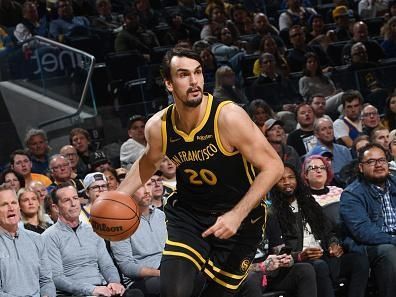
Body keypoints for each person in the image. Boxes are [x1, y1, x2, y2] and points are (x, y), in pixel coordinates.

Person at [117, 47, 283, 297]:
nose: (194, 81)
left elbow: (274, 166)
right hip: (189, 217)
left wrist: (236, 215)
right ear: (168, 83)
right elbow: (149, 161)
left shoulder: (227, 117)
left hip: (239, 223)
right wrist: (117, 199)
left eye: (198, 73)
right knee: (174, 292)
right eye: (183, 75)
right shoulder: (158, 126)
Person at [271, 163, 370, 297]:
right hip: (300, 263)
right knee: (319, 265)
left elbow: (329, 232)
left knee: (359, 261)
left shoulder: (309, 203)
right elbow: (277, 251)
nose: (287, 182)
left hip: (324, 255)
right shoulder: (273, 213)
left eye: (291, 177)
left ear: (297, 180)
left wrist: (333, 244)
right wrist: (300, 255)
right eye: (281, 179)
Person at [42, 183, 138, 297]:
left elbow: (107, 266)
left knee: (135, 294)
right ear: (56, 207)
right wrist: (91, 290)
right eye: (67, 200)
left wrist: (114, 282)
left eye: (75, 198)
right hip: (74, 293)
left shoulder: (93, 230)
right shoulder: (49, 236)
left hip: (101, 289)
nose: (73, 204)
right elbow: (57, 278)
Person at [340, 143, 396, 297]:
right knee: (389, 251)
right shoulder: (352, 195)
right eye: (371, 162)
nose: (378, 165)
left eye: (382, 160)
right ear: (360, 167)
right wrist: (393, 240)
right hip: (367, 247)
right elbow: (364, 232)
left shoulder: (394, 183)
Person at [111, 179, 166, 296]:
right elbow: (126, 266)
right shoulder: (120, 224)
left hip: (167, 267)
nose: (147, 191)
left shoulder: (161, 215)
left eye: (149, 184)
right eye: (140, 187)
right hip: (141, 280)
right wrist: (159, 273)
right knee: (170, 283)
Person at [0, 185, 56, 296]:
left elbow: (46, 281)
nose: (11, 208)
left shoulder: (37, 239)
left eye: (14, 203)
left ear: (18, 207)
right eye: (4, 205)